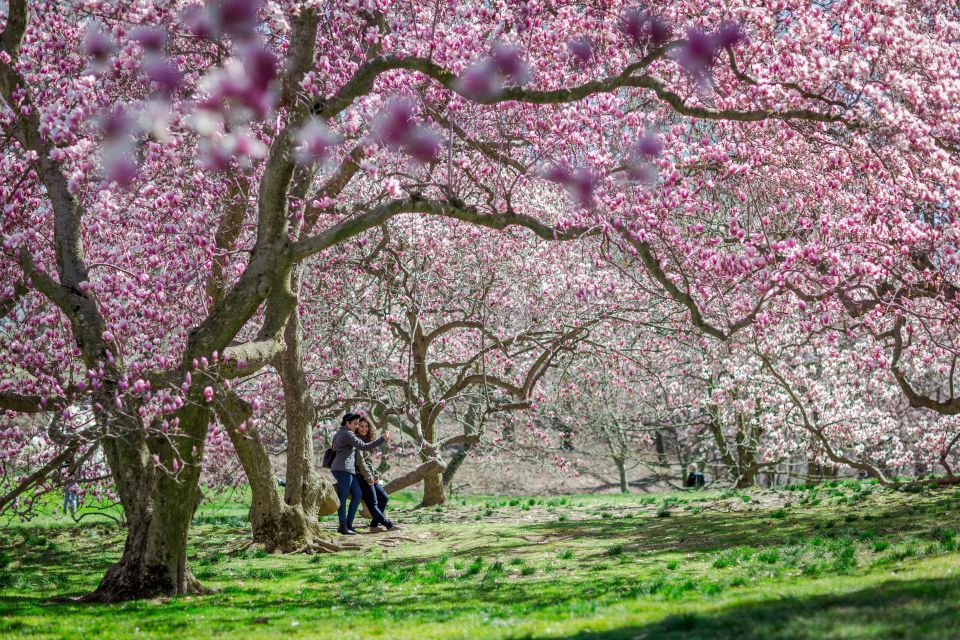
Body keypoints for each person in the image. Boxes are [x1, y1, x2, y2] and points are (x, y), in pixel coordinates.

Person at [329, 412, 389, 535]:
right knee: (343, 497)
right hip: (343, 469)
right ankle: (343, 526)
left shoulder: (339, 434)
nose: (357, 426)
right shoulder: (348, 434)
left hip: (347, 469)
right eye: (356, 424)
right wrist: (382, 438)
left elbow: (334, 447)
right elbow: (364, 446)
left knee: (357, 495)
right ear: (348, 423)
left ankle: (349, 525)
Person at [355, 417, 399, 532]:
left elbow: (368, 463)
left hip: (369, 476)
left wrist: (375, 474)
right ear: (356, 427)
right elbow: (360, 462)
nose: (364, 429)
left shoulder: (366, 440)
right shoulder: (355, 441)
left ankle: (374, 525)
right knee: (373, 504)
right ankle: (389, 525)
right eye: (361, 426)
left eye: (366, 426)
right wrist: (369, 478)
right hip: (360, 477)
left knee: (384, 497)